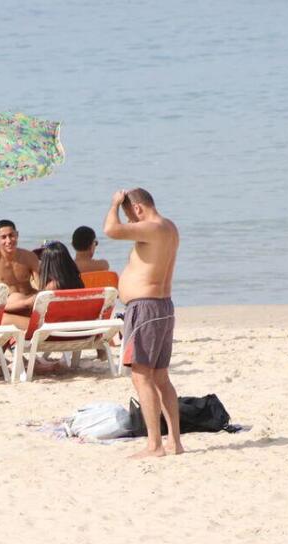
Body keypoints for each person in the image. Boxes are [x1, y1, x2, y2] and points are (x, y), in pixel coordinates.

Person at [104, 188, 182, 458]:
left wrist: (114, 204)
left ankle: (155, 445)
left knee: (141, 376)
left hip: (146, 308)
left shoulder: (152, 226)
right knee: (160, 376)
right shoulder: (169, 227)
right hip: (162, 306)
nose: (131, 221)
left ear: (138, 208)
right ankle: (174, 441)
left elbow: (110, 230)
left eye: (130, 214)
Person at [1, 241, 84, 330]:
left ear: (49, 264)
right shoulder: (76, 281)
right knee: (16, 297)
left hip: (52, 331)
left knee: (4, 318)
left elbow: (26, 304)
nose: (39, 263)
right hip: (66, 325)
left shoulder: (53, 286)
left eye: (41, 259)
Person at [0, 219, 40, 314]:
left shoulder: (30, 256)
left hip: (29, 303)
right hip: (7, 306)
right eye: (3, 237)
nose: (8, 241)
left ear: (17, 235)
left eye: (11, 235)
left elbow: (40, 286)